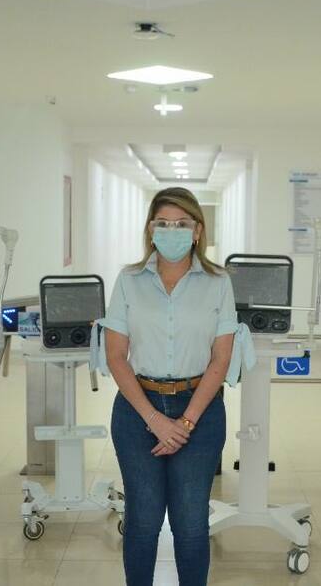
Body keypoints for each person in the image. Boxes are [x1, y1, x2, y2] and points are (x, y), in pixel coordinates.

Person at [98, 187, 236, 586]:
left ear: (197, 231)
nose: (171, 231)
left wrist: (186, 423)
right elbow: (116, 356)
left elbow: (221, 359)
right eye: (163, 223)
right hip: (137, 408)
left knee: (191, 523)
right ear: (150, 229)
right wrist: (155, 419)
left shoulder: (218, 282)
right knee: (142, 521)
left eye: (181, 224)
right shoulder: (129, 280)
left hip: (201, 409)